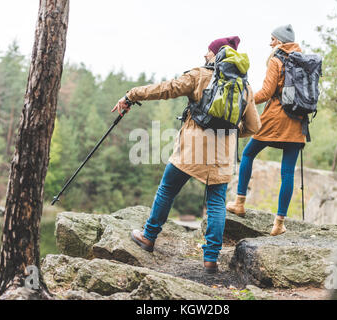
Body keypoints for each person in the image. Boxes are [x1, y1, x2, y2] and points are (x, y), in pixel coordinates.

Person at [112, 36, 261, 274]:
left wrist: (132, 95)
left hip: (190, 151)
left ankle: (149, 236)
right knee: (216, 204)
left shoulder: (199, 75)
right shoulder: (246, 87)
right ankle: (211, 259)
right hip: (220, 157)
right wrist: (230, 132)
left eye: (209, 52)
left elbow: (165, 89)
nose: (205, 55)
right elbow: (254, 127)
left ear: (217, 55)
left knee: (167, 190)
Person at [226, 25, 305, 236]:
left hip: (276, 118)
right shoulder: (303, 61)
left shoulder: (277, 60)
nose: (270, 43)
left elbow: (268, 92)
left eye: (272, 39)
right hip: (298, 122)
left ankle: (239, 203)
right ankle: (279, 224)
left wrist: (246, 99)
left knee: (248, 154)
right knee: (287, 172)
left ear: (280, 41)